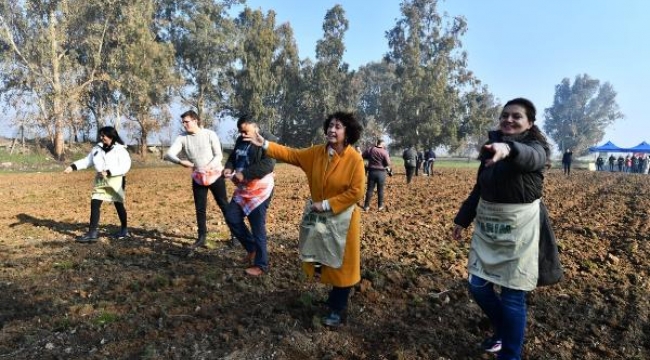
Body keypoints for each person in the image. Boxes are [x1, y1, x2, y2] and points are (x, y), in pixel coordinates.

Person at [244, 111, 365, 327]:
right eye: (330, 126)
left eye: (337, 126)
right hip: (320, 218)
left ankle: (338, 309)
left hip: (343, 219)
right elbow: (291, 154)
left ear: (347, 133)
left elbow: (356, 192)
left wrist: (327, 204)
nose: (331, 130)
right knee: (323, 257)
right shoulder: (317, 153)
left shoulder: (354, 159)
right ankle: (333, 299)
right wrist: (265, 145)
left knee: (342, 265)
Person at [452, 98, 551, 360]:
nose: (508, 119)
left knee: (512, 296)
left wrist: (508, 149)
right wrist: (462, 219)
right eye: (505, 115)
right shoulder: (489, 148)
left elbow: (531, 157)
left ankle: (509, 353)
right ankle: (503, 329)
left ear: (529, 123)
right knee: (477, 286)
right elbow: (479, 188)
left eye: (516, 116)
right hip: (488, 229)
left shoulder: (535, 148)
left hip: (519, 233)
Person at [165, 110, 229, 249]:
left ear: (195, 120)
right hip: (198, 177)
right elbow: (169, 154)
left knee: (224, 205)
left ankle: (236, 235)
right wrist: (180, 162)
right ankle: (201, 238)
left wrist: (208, 167)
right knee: (200, 208)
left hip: (215, 175)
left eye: (187, 121)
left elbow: (218, 155)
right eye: (183, 122)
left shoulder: (209, 134)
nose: (184, 125)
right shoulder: (182, 138)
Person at [223, 115, 277, 277]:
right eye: (240, 131)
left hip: (260, 190)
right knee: (232, 217)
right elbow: (233, 157)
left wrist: (244, 173)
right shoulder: (241, 140)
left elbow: (268, 165)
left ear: (255, 127)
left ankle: (261, 265)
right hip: (243, 188)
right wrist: (228, 167)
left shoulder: (268, 139)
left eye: (245, 131)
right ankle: (252, 248)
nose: (243, 134)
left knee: (257, 226)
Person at [64, 126, 132, 243]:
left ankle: (124, 230)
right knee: (95, 202)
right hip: (101, 179)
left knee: (118, 204)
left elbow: (125, 166)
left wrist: (109, 172)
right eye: (100, 135)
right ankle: (92, 233)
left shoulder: (121, 150)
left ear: (111, 136)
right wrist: (73, 167)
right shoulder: (96, 149)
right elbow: (87, 161)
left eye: (103, 136)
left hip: (116, 179)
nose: (101, 138)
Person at [362, 139, 392, 211]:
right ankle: (380, 207)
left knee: (369, 190)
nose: (384, 145)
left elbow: (362, 156)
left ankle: (366, 206)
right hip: (381, 173)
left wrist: (369, 160)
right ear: (381, 144)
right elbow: (388, 163)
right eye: (384, 144)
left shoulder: (370, 149)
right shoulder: (385, 152)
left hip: (372, 172)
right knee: (380, 190)